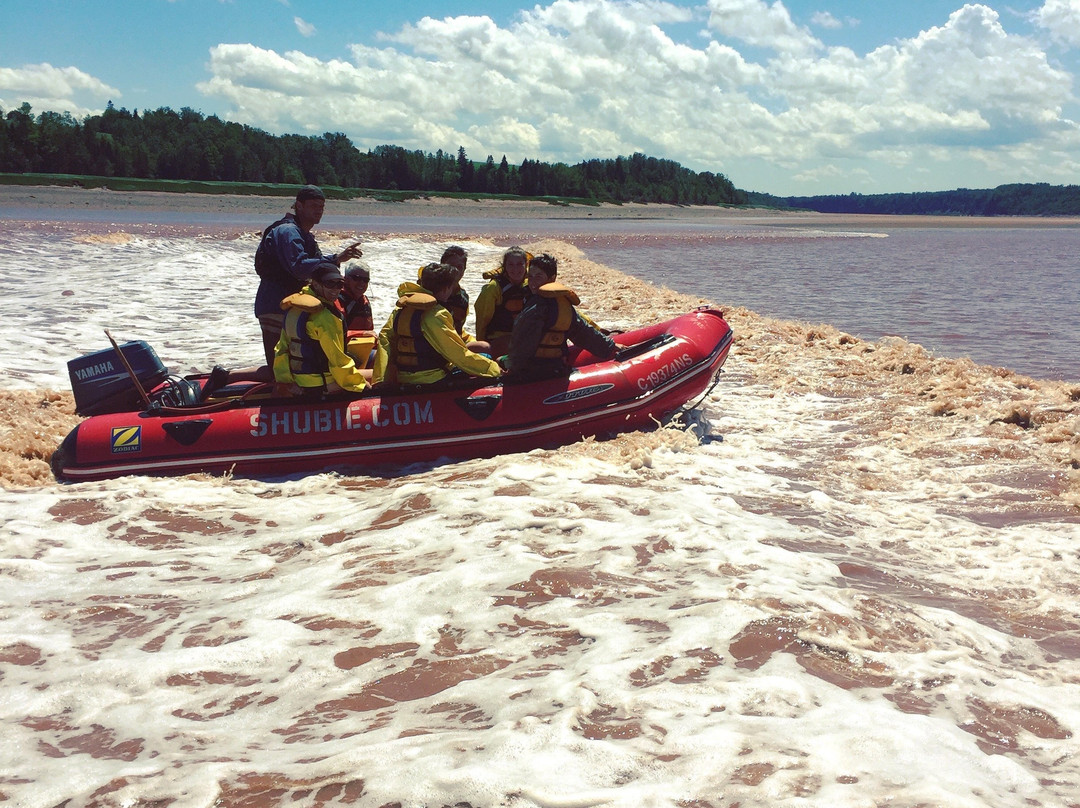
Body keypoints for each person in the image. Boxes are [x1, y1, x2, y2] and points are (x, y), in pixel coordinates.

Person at [254, 185, 363, 365]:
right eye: (314, 206)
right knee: (279, 366)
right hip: (275, 306)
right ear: (299, 205)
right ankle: (225, 378)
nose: (319, 211)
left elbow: (319, 266)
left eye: (321, 207)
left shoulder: (305, 235)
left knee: (294, 364)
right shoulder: (288, 231)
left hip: (290, 307)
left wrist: (339, 263)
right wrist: (335, 258)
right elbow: (299, 267)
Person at [373, 263, 502, 387]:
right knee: (486, 357)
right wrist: (494, 370)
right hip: (434, 378)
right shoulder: (436, 314)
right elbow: (457, 354)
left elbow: (385, 341)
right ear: (446, 289)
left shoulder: (400, 309)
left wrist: (380, 379)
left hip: (404, 377)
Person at [504, 253, 617, 381]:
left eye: (539, 277)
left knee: (500, 361)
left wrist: (512, 370)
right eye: (530, 277)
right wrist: (610, 347)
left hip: (533, 371)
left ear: (552, 278)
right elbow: (581, 330)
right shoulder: (559, 303)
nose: (533, 282)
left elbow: (523, 344)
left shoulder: (537, 307)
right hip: (554, 366)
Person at [273, 260, 369, 397]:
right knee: (374, 375)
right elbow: (337, 360)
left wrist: (285, 381)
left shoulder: (293, 309)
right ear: (316, 284)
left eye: (339, 284)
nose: (335, 290)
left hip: (298, 381)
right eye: (330, 284)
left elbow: (281, 349)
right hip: (320, 384)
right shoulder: (325, 317)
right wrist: (359, 385)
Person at [474, 246, 530, 357]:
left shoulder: (531, 286)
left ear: (526, 265)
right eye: (511, 265)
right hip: (498, 338)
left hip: (522, 338)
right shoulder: (494, 288)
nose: (515, 269)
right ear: (504, 266)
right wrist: (481, 345)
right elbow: (482, 318)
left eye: (519, 264)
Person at [339, 261, 376, 368]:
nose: (361, 284)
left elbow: (371, 333)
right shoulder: (337, 300)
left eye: (365, 280)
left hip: (362, 352)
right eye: (356, 278)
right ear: (346, 278)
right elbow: (335, 335)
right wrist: (362, 334)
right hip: (341, 353)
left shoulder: (364, 302)